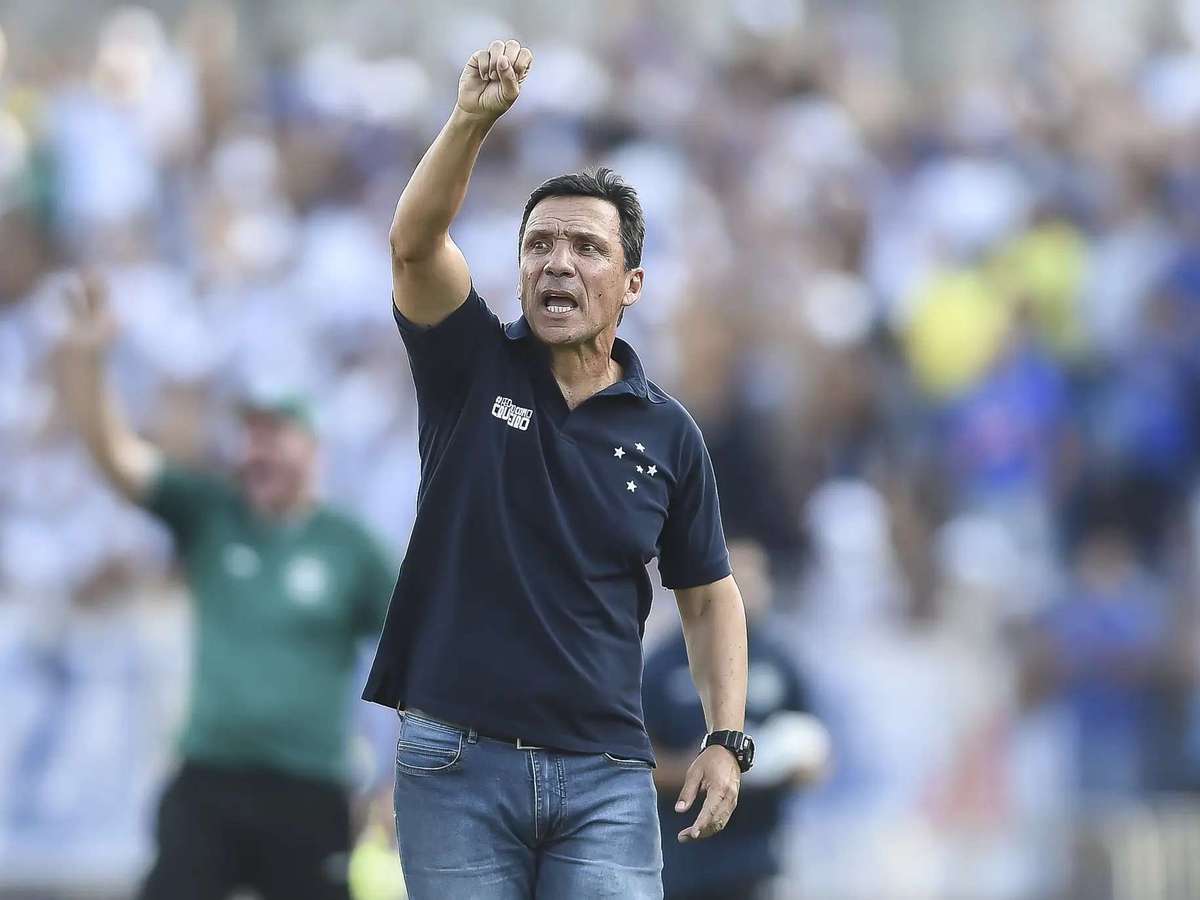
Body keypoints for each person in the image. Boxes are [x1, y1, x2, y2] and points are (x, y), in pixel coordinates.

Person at [362, 39, 752, 899]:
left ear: (632, 282)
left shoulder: (669, 434)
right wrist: (472, 121)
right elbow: (414, 246)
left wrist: (727, 737)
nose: (558, 263)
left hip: (606, 774)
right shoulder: (470, 364)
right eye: (538, 245)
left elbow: (708, 596)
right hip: (456, 761)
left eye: (584, 246)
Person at [56, 274, 396, 900]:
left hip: (309, 785)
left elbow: (416, 656)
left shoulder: (351, 547)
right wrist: (87, 361)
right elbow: (116, 458)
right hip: (209, 777)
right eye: (251, 434)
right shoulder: (212, 514)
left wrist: (400, 778)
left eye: (275, 434)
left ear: (312, 446)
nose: (257, 450)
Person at [644, 539, 829, 900]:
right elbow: (639, 762)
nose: (745, 590)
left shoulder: (781, 662)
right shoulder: (663, 664)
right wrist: (702, 771)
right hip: (684, 860)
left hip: (756, 858)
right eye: (734, 578)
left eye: (753, 577)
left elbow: (816, 756)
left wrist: (781, 763)